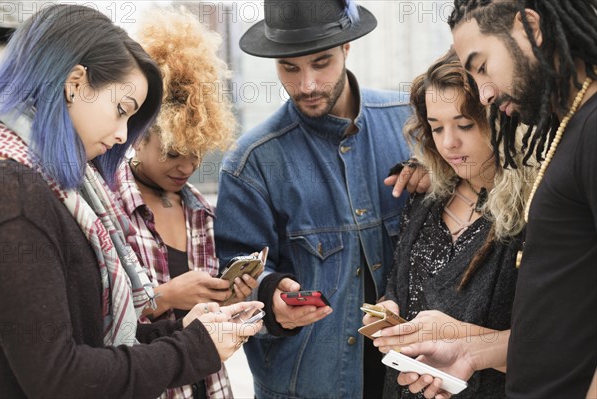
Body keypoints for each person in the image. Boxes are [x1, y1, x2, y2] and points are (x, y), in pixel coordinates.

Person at [0, 5, 262, 398]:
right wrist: (192, 347)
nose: (123, 135)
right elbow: (59, 377)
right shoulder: (16, 193)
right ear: (75, 84)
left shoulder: (61, 189)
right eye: (121, 110)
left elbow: (91, 336)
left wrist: (184, 330)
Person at [214, 0, 429, 397]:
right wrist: (269, 294)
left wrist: (444, 180)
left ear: (347, 48)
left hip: (413, 379)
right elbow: (233, 273)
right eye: (289, 68)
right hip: (308, 385)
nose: (307, 84)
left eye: (321, 62)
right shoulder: (250, 163)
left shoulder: (415, 126)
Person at [397, 1, 597, 398]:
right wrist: (470, 352)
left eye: (483, 65)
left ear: (531, 28)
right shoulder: (570, 129)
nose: (485, 92)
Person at [362, 49, 535, 399]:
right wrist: (389, 311)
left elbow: (556, 346)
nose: (448, 143)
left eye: (465, 125)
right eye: (436, 127)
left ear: (502, 118)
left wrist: (464, 341)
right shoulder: (426, 197)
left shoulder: (535, 211)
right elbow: (401, 286)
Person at [114, 7, 259, 399]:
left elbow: (207, 320)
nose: (188, 166)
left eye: (197, 153)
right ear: (138, 135)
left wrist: (229, 296)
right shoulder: (108, 210)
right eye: (175, 152)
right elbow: (96, 325)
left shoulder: (201, 212)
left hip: (210, 386)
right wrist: (165, 297)